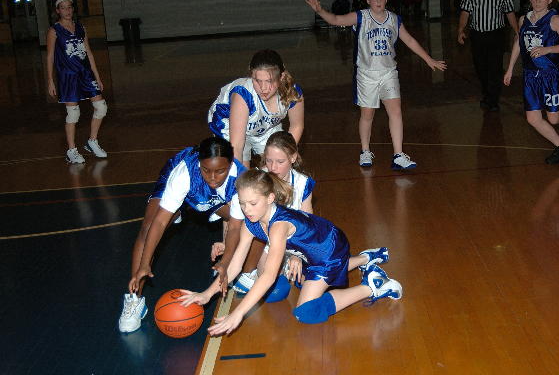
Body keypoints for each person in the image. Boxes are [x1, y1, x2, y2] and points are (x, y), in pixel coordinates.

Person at [179, 169, 402, 335]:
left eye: (253, 203)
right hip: (312, 250)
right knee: (302, 282)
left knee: (305, 312)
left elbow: (268, 276)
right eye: (242, 203)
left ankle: (373, 285)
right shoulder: (251, 223)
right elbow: (235, 265)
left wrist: (238, 313)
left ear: (270, 198)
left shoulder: (278, 226)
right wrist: (207, 294)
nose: (247, 210)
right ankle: (367, 257)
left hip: (329, 250)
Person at [305, 0, 447, 170]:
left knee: (396, 112)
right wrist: (320, 10)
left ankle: (398, 155)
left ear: (386, 0)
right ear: (368, 0)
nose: (378, 1)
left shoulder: (394, 19)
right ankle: (365, 151)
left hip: (389, 73)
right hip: (366, 74)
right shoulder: (361, 17)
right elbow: (336, 19)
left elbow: (409, 40)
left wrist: (428, 59)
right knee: (367, 114)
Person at [118, 137, 247, 333]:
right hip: (184, 184)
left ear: (230, 165)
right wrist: (145, 263)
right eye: (206, 170)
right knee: (148, 226)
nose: (212, 177)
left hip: (209, 196)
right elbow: (160, 222)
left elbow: (235, 228)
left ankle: (250, 271)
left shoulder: (240, 179)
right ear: (199, 164)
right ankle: (135, 299)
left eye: (220, 171)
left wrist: (226, 262)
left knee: (249, 220)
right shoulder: (184, 173)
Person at [231, 131, 315, 294]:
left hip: (296, 241)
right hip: (269, 241)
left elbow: (308, 224)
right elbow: (242, 220)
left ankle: (363, 259)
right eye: (269, 160)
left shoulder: (303, 183)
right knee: (269, 286)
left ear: (293, 157)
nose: (273, 167)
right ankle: (261, 269)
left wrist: (298, 255)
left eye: (280, 161)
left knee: (308, 282)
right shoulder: (257, 181)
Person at [503, 0, 559, 165]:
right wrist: (510, 68)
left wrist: (547, 49)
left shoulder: (554, 20)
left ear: (550, 0)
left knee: (553, 118)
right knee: (533, 118)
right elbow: (518, 43)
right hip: (530, 75)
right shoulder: (523, 19)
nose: (538, 1)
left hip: (550, 75)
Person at [207, 49, 304, 168]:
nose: (263, 88)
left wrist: (286, 155)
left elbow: (296, 126)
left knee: (278, 166)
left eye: (269, 81)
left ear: (281, 77)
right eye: (257, 81)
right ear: (251, 75)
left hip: (266, 126)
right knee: (242, 171)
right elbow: (236, 146)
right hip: (229, 127)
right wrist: (239, 174)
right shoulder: (243, 95)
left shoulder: (292, 93)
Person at [46, 0, 108, 164]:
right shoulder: (54, 31)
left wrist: (97, 76)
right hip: (68, 76)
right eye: (63, 8)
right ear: (58, 11)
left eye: (69, 7)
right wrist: (50, 80)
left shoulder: (81, 27)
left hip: (85, 74)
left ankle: (92, 141)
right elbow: (50, 56)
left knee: (101, 107)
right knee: (73, 113)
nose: (67, 10)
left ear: (72, 9)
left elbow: (89, 52)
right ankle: (71, 150)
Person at [458, 0, 518, 112]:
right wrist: (460, 30)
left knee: (495, 67)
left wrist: (517, 31)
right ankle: (487, 94)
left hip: (496, 35)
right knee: (481, 67)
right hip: (477, 35)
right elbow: (465, 13)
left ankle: (493, 100)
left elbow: (509, 13)